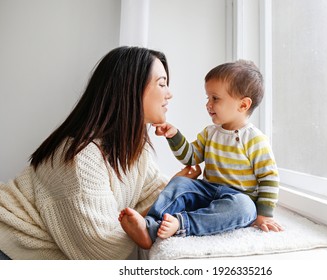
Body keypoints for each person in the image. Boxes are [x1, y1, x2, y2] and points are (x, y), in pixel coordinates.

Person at [0, 46, 200, 260]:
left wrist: (176, 191)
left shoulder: (132, 149)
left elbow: (155, 196)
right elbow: (103, 251)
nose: (169, 93)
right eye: (162, 84)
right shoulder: (80, 158)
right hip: (10, 248)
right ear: (131, 89)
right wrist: (162, 200)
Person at [118, 59, 282, 250]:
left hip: (237, 197)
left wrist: (264, 214)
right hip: (208, 190)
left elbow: (269, 177)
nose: (208, 104)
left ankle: (183, 224)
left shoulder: (255, 140)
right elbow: (191, 157)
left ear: (243, 105)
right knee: (180, 183)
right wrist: (174, 136)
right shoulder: (210, 133)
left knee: (245, 208)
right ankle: (149, 226)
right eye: (208, 98)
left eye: (215, 98)